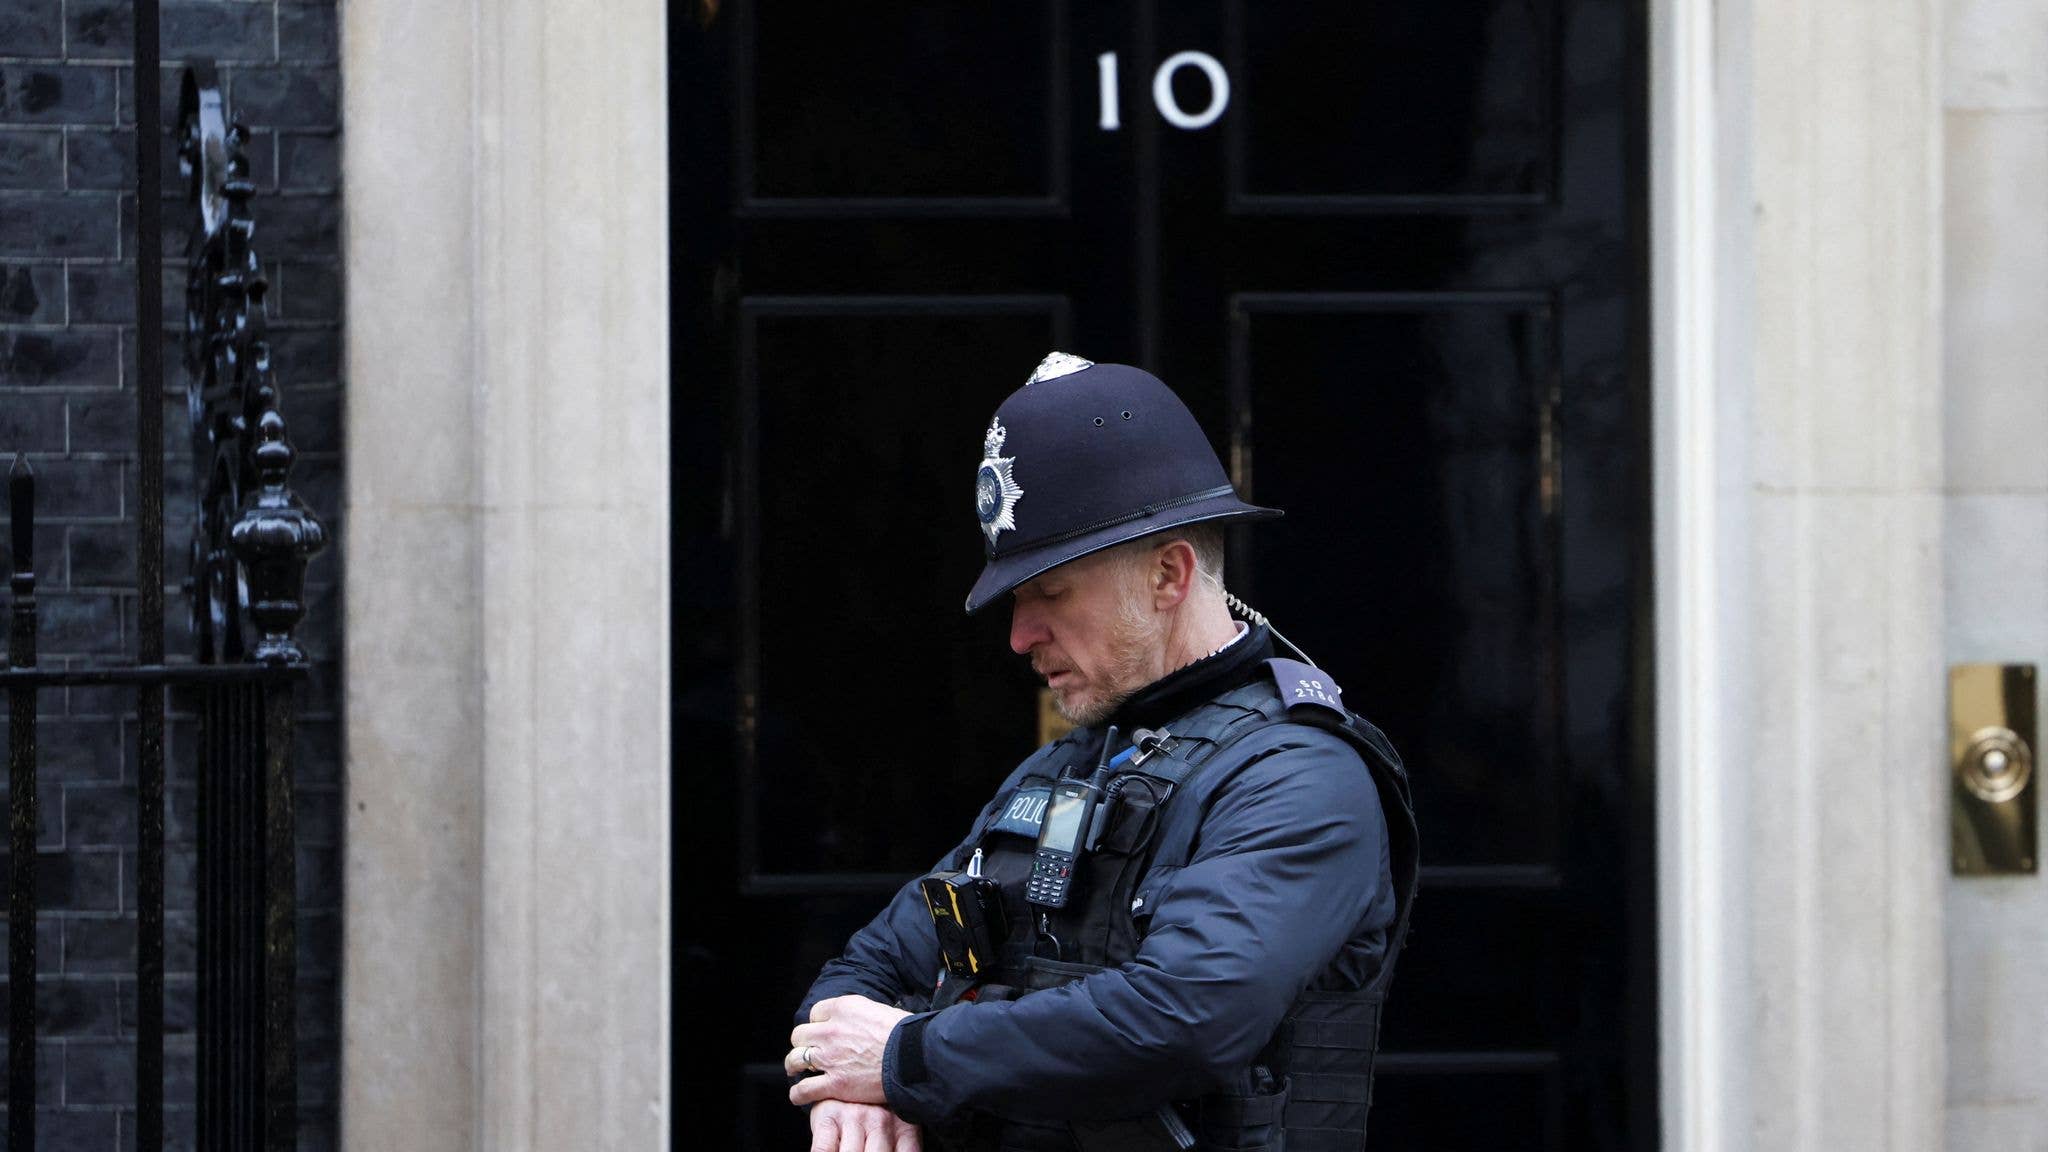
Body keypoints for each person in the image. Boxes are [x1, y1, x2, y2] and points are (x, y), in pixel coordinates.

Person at [785, 354, 1419, 1152]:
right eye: (1018, 602)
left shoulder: (1300, 775)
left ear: (1168, 574)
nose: (1020, 637)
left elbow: (1183, 1020)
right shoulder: (1074, 763)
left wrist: (904, 1061)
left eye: (1050, 594)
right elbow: (872, 965)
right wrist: (859, 1087)